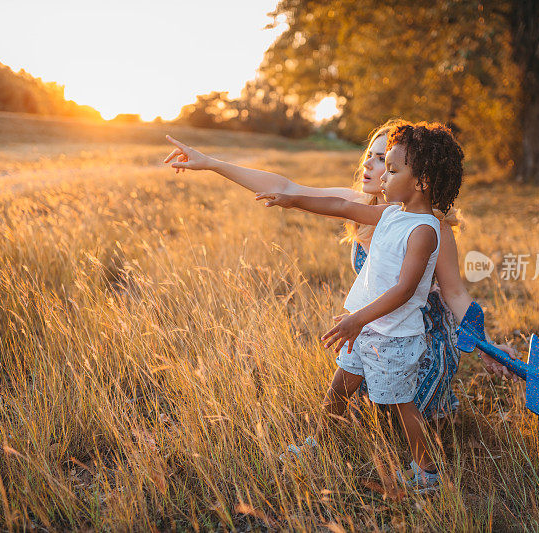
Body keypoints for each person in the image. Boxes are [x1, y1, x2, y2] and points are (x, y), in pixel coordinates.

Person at [162, 120, 518, 422]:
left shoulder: (429, 227)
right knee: (357, 403)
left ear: (417, 175)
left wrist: (486, 346)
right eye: (371, 156)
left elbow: (455, 293)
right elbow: (285, 188)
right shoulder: (362, 206)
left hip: (417, 336)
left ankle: (425, 453)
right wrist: (209, 162)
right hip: (370, 329)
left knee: (404, 420)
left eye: (385, 161)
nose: (370, 165)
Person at [254, 121, 461, 492]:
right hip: (366, 328)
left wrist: (356, 320)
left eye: (393, 170)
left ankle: (428, 471)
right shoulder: (392, 214)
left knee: (403, 405)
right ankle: (318, 443)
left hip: (393, 336)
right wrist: (292, 200)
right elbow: (339, 205)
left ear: (422, 182)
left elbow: (403, 290)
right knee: (338, 390)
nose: (383, 177)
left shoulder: (425, 230)